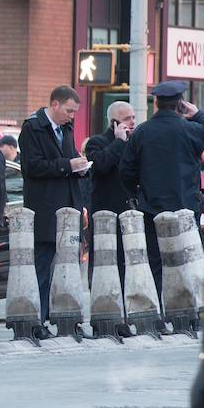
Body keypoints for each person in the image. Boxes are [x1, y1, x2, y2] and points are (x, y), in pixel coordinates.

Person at [119, 80, 204, 295]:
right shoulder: (191, 129)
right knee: (188, 258)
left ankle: (160, 311)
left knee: (156, 261)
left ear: (156, 102)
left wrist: (137, 194)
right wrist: (198, 115)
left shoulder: (142, 132)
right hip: (186, 206)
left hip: (151, 207)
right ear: (180, 104)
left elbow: (126, 170)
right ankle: (188, 313)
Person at [18, 85, 88, 332]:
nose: (72, 116)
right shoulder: (32, 128)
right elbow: (32, 167)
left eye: (74, 112)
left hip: (68, 208)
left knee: (67, 269)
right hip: (46, 208)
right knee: (43, 268)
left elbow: (69, 160)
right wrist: (67, 165)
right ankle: (38, 320)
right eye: (69, 110)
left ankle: (65, 319)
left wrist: (79, 168)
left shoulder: (66, 128)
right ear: (54, 104)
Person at [85, 101, 136, 285]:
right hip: (106, 212)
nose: (132, 122)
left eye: (133, 117)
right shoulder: (97, 142)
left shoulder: (134, 141)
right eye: (127, 118)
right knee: (104, 261)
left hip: (130, 212)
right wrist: (118, 141)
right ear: (114, 122)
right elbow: (100, 165)